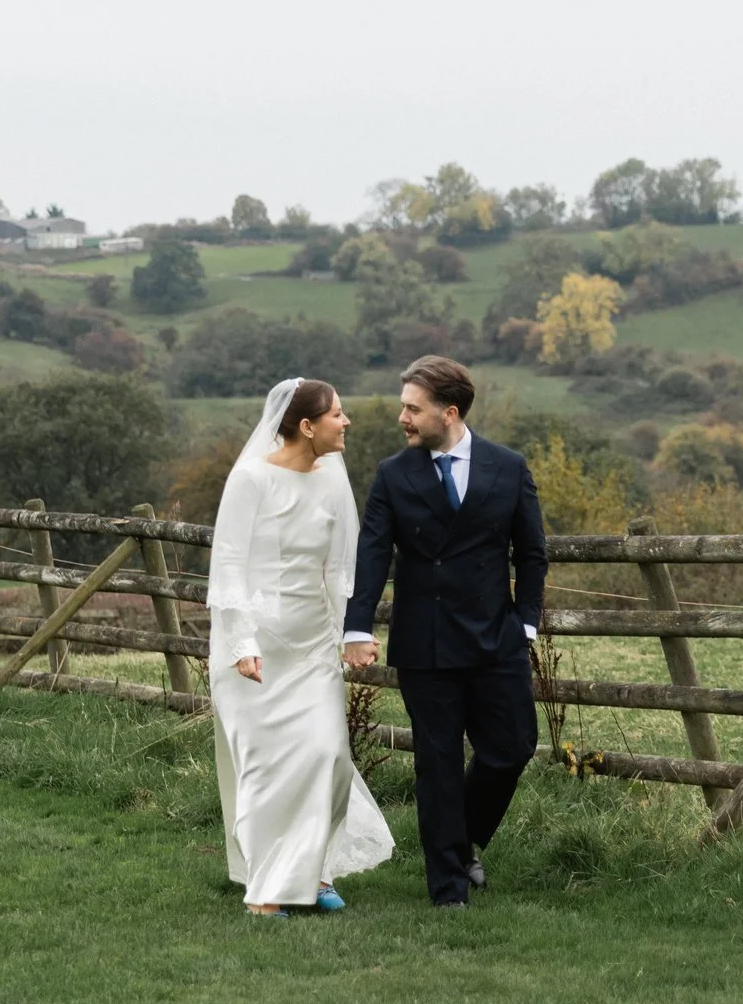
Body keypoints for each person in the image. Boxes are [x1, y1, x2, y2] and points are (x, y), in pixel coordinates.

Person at [341, 356, 547, 908]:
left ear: (449, 412)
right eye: (403, 407)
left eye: (413, 408)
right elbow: (373, 552)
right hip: (425, 643)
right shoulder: (393, 474)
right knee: (437, 763)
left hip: (496, 638)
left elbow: (531, 552)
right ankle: (448, 888)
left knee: (513, 747)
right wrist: (357, 624)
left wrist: (525, 622)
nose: (402, 418)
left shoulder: (507, 467)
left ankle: (461, 843)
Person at [208, 378, 393, 916]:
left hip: (313, 647)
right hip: (256, 648)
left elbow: (340, 568)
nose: (347, 422)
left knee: (328, 758)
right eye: (338, 414)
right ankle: (266, 892)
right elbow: (229, 566)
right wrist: (241, 643)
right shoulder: (250, 479)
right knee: (267, 769)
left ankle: (311, 872)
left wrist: (349, 634)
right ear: (307, 426)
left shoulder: (333, 481)